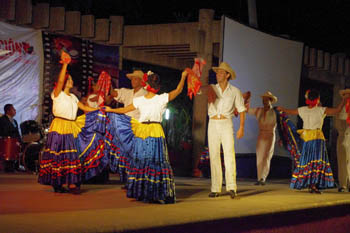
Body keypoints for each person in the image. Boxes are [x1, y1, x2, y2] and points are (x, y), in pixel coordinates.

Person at [105, 70, 188, 204]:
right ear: (157, 87)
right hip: (152, 130)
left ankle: (146, 192)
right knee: (153, 161)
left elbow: (123, 110)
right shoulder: (156, 98)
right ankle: (152, 193)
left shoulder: (152, 99)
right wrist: (183, 76)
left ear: (146, 85)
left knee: (145, 161)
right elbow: (178, 90)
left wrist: (111, 110)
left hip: (145, 131)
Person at [38, 50, 98, 194]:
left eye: (71, 80)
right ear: (64, 81)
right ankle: (57, 183)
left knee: (71, 154)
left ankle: (72, 182)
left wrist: (100, 111)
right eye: (69, 79)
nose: (71, 82)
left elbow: (84, 107)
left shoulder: (73, 97)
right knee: (58, 154)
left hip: (71, 126)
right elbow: (59, 81)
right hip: (59, 126)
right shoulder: (57, 94)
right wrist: (65, 64)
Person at [277, 89, 349, 193]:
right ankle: (313, 185)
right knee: (315, 162)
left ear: (308, 99)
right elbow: (337, 110)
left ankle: (312, 184)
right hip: (316, 138)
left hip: (307, 139)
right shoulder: (321, 110)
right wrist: (344, 100)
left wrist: (281, 109)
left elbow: (288, 111)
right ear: (317, 99)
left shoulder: (303, 110)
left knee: (308, 161)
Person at [207, 62, 246, 199]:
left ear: (227, 75)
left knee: (229, 154)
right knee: (214, 155)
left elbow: (241, 110)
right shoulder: (211, 88)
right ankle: (215, 188)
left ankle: (231, 187)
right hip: (213, 122)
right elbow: (197, 90)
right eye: (217, 73)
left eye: (221, 73)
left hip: (226, 122)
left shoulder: (235, 91)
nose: (218, 75)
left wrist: (241, 127)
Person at [106, 70, 148, 185]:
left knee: (136, 154)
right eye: (132, 79)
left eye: (135, 79)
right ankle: (126, 179)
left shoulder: (145, 94)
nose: (133, 81)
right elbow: (114, 93)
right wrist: (107, 82)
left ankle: (135, 180)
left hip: (138, 127)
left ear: (141, 81)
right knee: (125, 153)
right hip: (126, 127)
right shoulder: (127, 92)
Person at [247, 91, 278, 185]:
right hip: (261, 135)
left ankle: (263, 178)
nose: (264, 101)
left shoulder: (275, 112)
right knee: (259, 156)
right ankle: (259, 178)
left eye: (266, 100)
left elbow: (281, 125)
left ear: (270, 101)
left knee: (267, 156)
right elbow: (246, 110)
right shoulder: (258, 110)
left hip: (270, 135)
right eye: (263, 100)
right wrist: (246, 99)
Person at [0, 104, 22, 172]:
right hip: (7, 141)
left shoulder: (14, 121)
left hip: (14, 141)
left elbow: (17, 131)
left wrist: (19, 140)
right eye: (13, 109)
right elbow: (4, 131)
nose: (15, 111)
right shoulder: (2, 120)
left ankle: (14, 166)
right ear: (8, 111)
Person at [336, 88, 350, 192]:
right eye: (345, 95)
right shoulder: (340, 108)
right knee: (342, 161)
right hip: (342, 137)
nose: (346, 96)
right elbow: (337, 124)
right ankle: (343, 184)